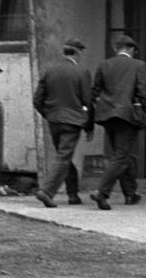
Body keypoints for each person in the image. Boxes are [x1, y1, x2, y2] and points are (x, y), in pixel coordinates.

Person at [88, 34, 146, 210]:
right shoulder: (139, 65)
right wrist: (140, 106)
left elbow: (95, 91)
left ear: (116, 49)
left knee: (122, 154)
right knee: (121, 156)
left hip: (107, 115)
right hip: (127, 115)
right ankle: (102, 193)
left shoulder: (104, 64)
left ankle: (130, 193)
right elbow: (144, 92)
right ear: (131, 49)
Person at [32, 37, 95, 208]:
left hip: (53, 120)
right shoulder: (82, 72)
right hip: (73, 121)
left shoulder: (50, 70)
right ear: (77, 52)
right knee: (63, 157)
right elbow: (88, 102)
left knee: (64, 156)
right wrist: (89, 125)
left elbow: (37, 99)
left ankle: (73, 194)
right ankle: (47, 191)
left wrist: (48, 114)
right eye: (80, 52)